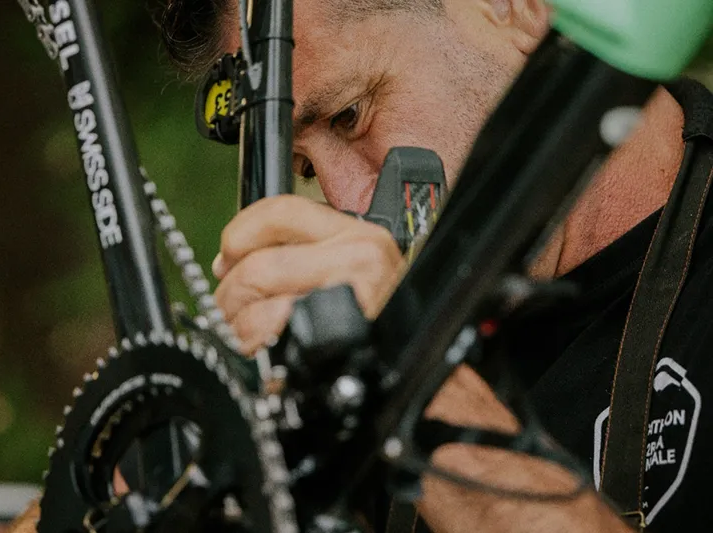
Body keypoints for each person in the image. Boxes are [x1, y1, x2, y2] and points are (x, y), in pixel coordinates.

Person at [157, 1, 713, 532]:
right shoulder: (349, 384)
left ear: (518, 6)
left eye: (350, 115)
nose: (346, 201)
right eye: (306, 167)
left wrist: (421, 389)